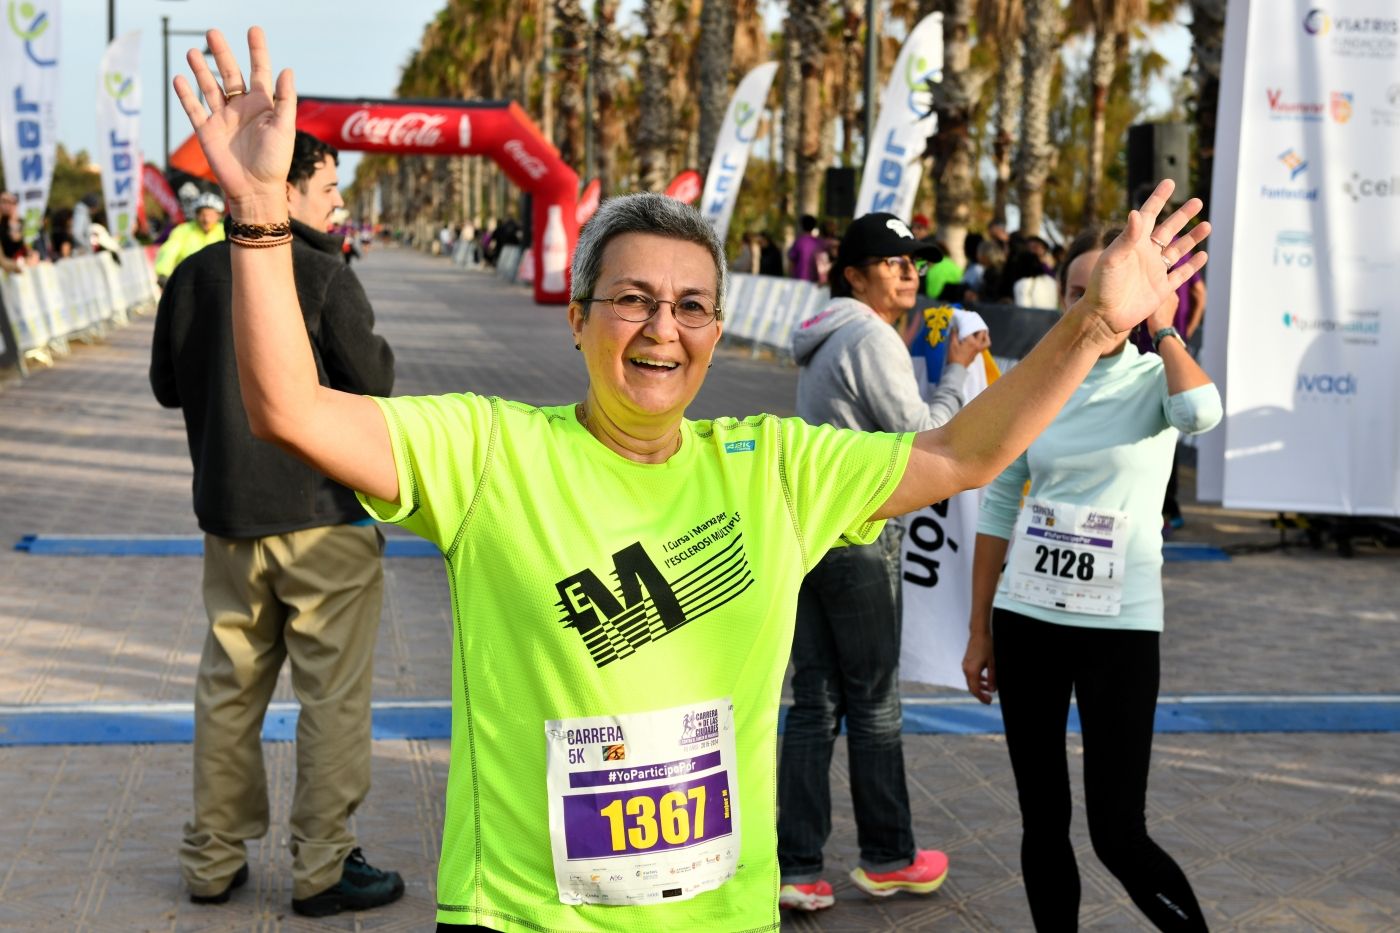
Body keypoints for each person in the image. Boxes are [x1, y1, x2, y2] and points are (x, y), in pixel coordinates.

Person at [172, 26, 1209, 931]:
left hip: (720, 914)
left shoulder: (775, 469)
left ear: (715, 329)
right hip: (519, 915)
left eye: (690, 307)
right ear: (576, 318)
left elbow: (963, 454)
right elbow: (290, 410)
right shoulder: (488, 451)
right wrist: (262, 217)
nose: (662, 329)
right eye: (629, 300)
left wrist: (1093, 325)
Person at [150, 129, 403, 918]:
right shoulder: (323, 271)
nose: (336, 202)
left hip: (228, 517)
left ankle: (211, 857)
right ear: (283, 186)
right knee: (331, 694)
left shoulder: (193, 273)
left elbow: (166, 385)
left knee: (227, 689)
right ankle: (324, 864)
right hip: (324, 517)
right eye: (328, 186)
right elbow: (377, 382)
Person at [962, 226, 1220, 932]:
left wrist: (1163, 326)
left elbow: (1201, 414)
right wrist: (979, 627)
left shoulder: (1153, 379)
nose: (1089, 305)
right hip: (1028, 621)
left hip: (1120, 629)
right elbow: (997, 500)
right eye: (1076, 292)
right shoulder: (1036, 382)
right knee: (1042, 821)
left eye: (1103, 290)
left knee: (1117, 832)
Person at [779, 214, 991, 912]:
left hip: (811, 533)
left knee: (815, 702)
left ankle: (798, 866)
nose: (910, 272)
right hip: (860, 537)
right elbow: (924, 439)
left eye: (915, 262)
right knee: (873, 702)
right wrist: (958, 369)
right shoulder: (869, 335)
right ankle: (890, 856)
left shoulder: (828, 331)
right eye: (892, 260)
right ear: (854, 273)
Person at [155, 191, 227, 285]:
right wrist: (163, 272)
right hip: (188, 281)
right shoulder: (183, 230)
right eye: (203, 215)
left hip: (219, 282)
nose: (206, 220)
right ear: (196, 215)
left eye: (211, 215)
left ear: (219, 216)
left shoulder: (225, 231)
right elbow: (169, 250)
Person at [788, 214, 824, 282]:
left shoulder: (799, 242)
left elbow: (791, 262)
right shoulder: (819, 242)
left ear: (802, 226)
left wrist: (790, 278)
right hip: (815, 281)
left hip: (799, 279)